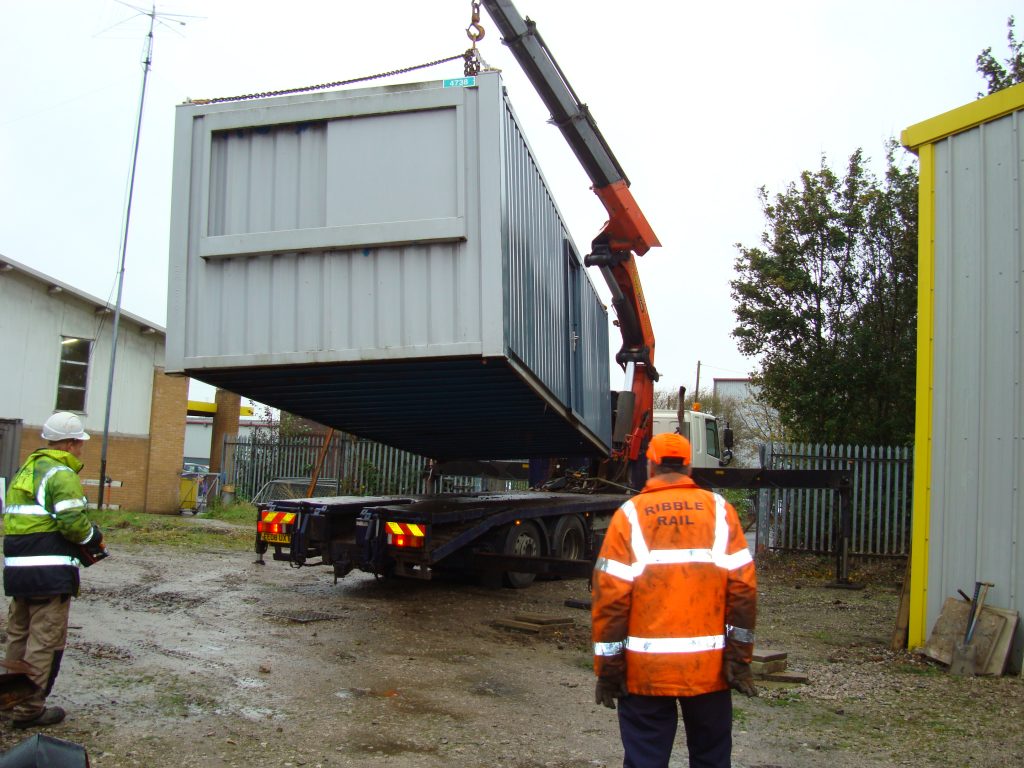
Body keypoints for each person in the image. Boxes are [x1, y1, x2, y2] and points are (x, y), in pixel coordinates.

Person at [591, 432, 758, 768]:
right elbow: (743, 590)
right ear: (689, 467)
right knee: (711, 758)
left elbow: (610, 599)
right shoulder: (720, 511)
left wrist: (609, 669)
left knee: (645, 760)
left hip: (645, 672)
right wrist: (739, 660)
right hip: (709, 671)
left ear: (650, 467)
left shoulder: (630, 515)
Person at [3, 412, 106, 729]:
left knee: (18, 635)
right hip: (49, 571)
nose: (81, 449)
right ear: (73, 443)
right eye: (80, 444)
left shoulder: (27, 469)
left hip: (19, 569)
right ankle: (29, 710)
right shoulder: (61, 474)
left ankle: (9, 700)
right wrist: (94, 539)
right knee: (44, 640)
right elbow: (74, 524)